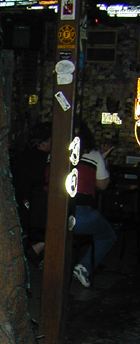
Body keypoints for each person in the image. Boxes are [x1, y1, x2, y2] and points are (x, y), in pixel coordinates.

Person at [72, 122, 117, 288]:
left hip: (50, 214)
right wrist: (101, 160)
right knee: (108, 235)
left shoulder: (56, 153)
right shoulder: (94, 155)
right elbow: (102, 185)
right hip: (79, 215)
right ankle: (84, 267)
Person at [10, 122, 52, 267]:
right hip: (30, 208)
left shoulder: (23, 154)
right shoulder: (44, 161)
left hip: (19, 202)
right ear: (45, 143)